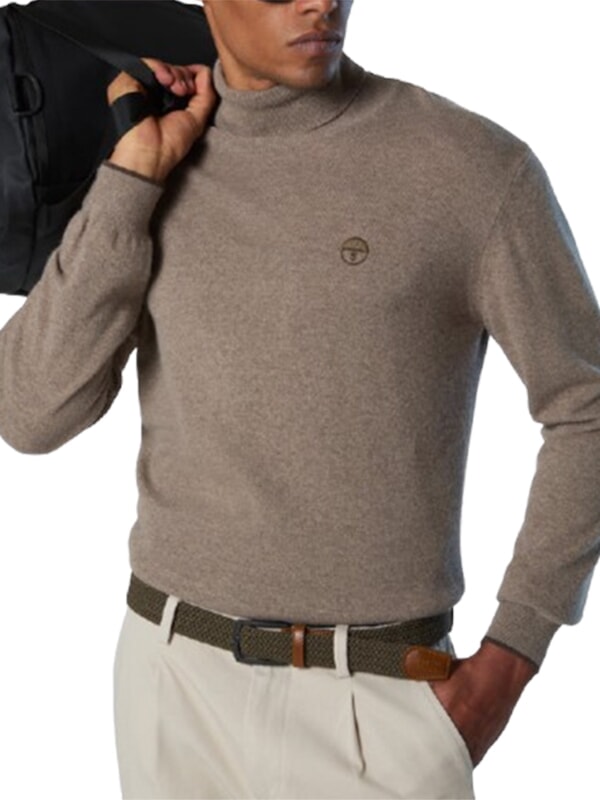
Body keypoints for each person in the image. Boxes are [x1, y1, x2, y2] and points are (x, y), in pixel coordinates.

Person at [0, 0, 598, 797]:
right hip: (171, 687)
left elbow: (585, 403)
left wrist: (512, 655)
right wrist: (131, 180)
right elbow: (30, 413)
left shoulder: (469, 168)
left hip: (380, 701)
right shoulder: (148, 157)